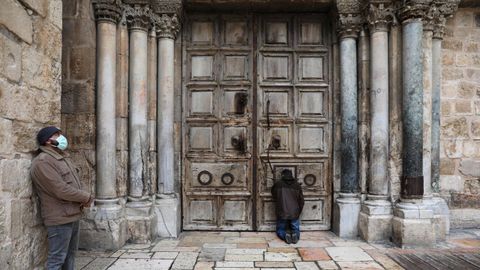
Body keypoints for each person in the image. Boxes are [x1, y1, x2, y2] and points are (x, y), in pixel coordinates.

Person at [30, 126, 93, 270]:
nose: (61, 137)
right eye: (57, 135)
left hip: (72, 214)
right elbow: (60, 189)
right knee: (57, 259)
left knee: (70, 256)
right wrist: (86, 197)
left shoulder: (61, 157)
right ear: (47, 141)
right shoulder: (43, 162)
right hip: (59, 218)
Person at [271, 169, 305, 244]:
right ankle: (295, 236)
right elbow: (301, 200)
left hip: (282, 211)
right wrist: (299, 211)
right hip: (294, 211)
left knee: (280, 229)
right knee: (295, 228)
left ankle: (284, 235)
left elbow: (273, 194)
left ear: (282, 175)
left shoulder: (278, 184)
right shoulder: (297, 185)